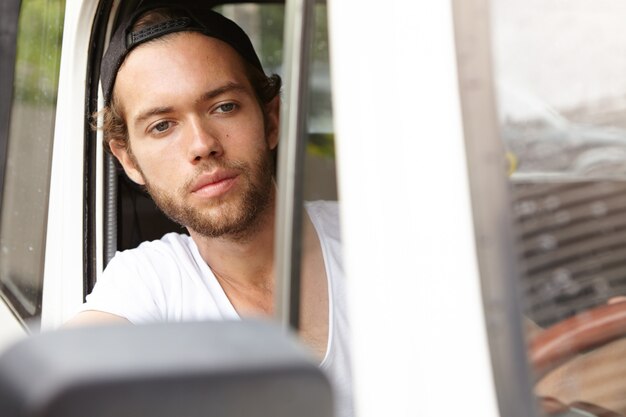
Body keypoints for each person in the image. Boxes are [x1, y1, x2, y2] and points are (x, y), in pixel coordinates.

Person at [67, 4, 352, 417]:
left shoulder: (371, 239)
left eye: (224, 107)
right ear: (128, 160)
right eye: (162, 125)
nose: (202, 145)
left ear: (271, 119)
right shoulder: (147, 284)